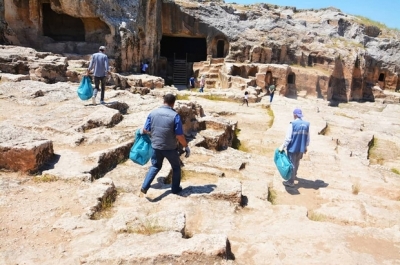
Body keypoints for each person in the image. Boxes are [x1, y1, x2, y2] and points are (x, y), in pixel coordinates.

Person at [139, 94, 190, 195]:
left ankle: (145, 186)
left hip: (156, 147)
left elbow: (146, 129)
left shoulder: (153, 113)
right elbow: (179, 135)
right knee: (176, 167)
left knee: (155, 166)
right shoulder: (175, 116)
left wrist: (141, 131)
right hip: (170, 148)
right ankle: (175, 189)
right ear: (173, 103)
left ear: (164, 101)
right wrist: (186, 146)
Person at [279, 108, 310, 188]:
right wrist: (306, 146)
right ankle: (294, 175)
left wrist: (283, 146)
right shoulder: (306, 124)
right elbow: (308, 138)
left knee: (292, 164)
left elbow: (288, 138)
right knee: (297, 162)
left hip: (293, 147)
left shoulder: (292, 124)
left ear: (295, 115)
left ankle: (291, 181)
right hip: (301, 148)